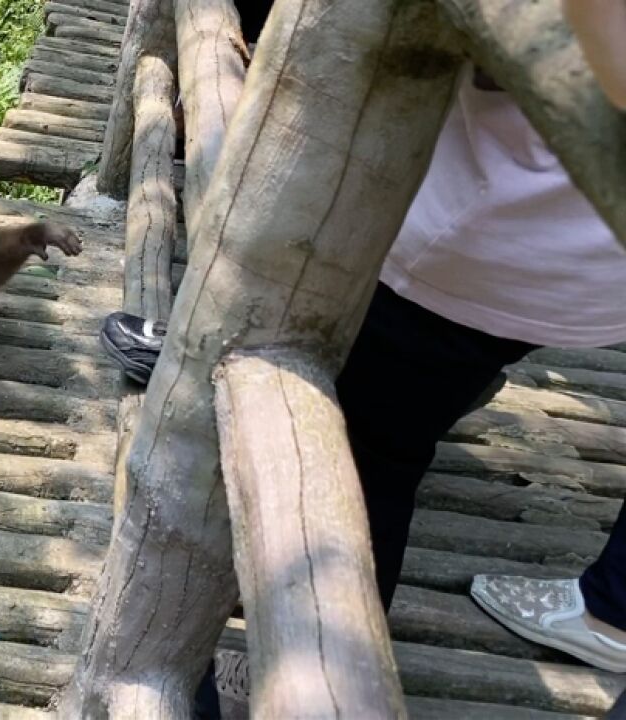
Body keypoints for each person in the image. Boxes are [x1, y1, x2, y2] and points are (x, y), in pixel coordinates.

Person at [97, 1, 626, 715]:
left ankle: (287, 675)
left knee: (362, 455)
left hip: (466, 239)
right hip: (584, 266)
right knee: (396, 423)